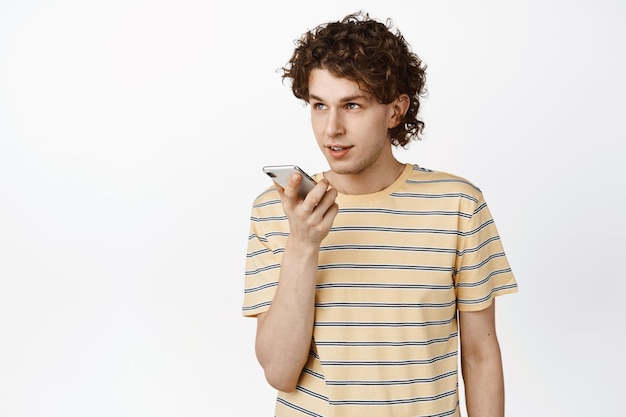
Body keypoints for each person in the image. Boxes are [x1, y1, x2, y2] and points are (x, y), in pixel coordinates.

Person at [243, 11, 518, 417]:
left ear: (395, 110)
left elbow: (479, 354)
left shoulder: (458, 204)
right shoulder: (279, 208)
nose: (331, 128)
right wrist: (303, 244)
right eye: (319, 105)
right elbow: (281, 372)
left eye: (351, 105)